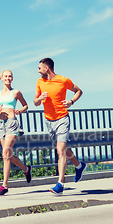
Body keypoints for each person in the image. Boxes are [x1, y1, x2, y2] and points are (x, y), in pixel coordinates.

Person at [33, 58, 87, 195]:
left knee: (60, 151)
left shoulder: (63, 80)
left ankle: (60, 184)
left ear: (47, 69)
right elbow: (35, 102)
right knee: (62, 149)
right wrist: (40, 99)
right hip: (48, 121)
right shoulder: (40, 82)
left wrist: (71, 101)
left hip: (62, 118)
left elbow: (79, 91)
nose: (38, 70)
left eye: (40, 68)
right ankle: (79, 166)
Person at [0, 70, 32, 196]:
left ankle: (4, 186)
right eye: (6, 76)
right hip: (1, 125)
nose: (8, 78)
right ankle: (26, 169)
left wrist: (20, 110)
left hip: (12, 123)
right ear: (2, 79)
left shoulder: (16, 92)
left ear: (12, 79)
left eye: (10, 76)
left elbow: (26, 105)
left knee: (5, 153)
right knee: (8, 155)